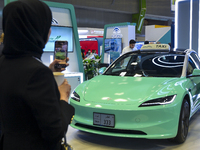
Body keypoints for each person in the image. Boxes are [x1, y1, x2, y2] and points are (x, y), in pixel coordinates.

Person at [0, 1, 74, 150]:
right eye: (47, 26)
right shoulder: (37, 73)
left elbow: (19, 84)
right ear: (36, 30)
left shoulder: (4, 61)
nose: (50, 31)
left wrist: (48, 70)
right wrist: (63, 98)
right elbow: (54, 132)